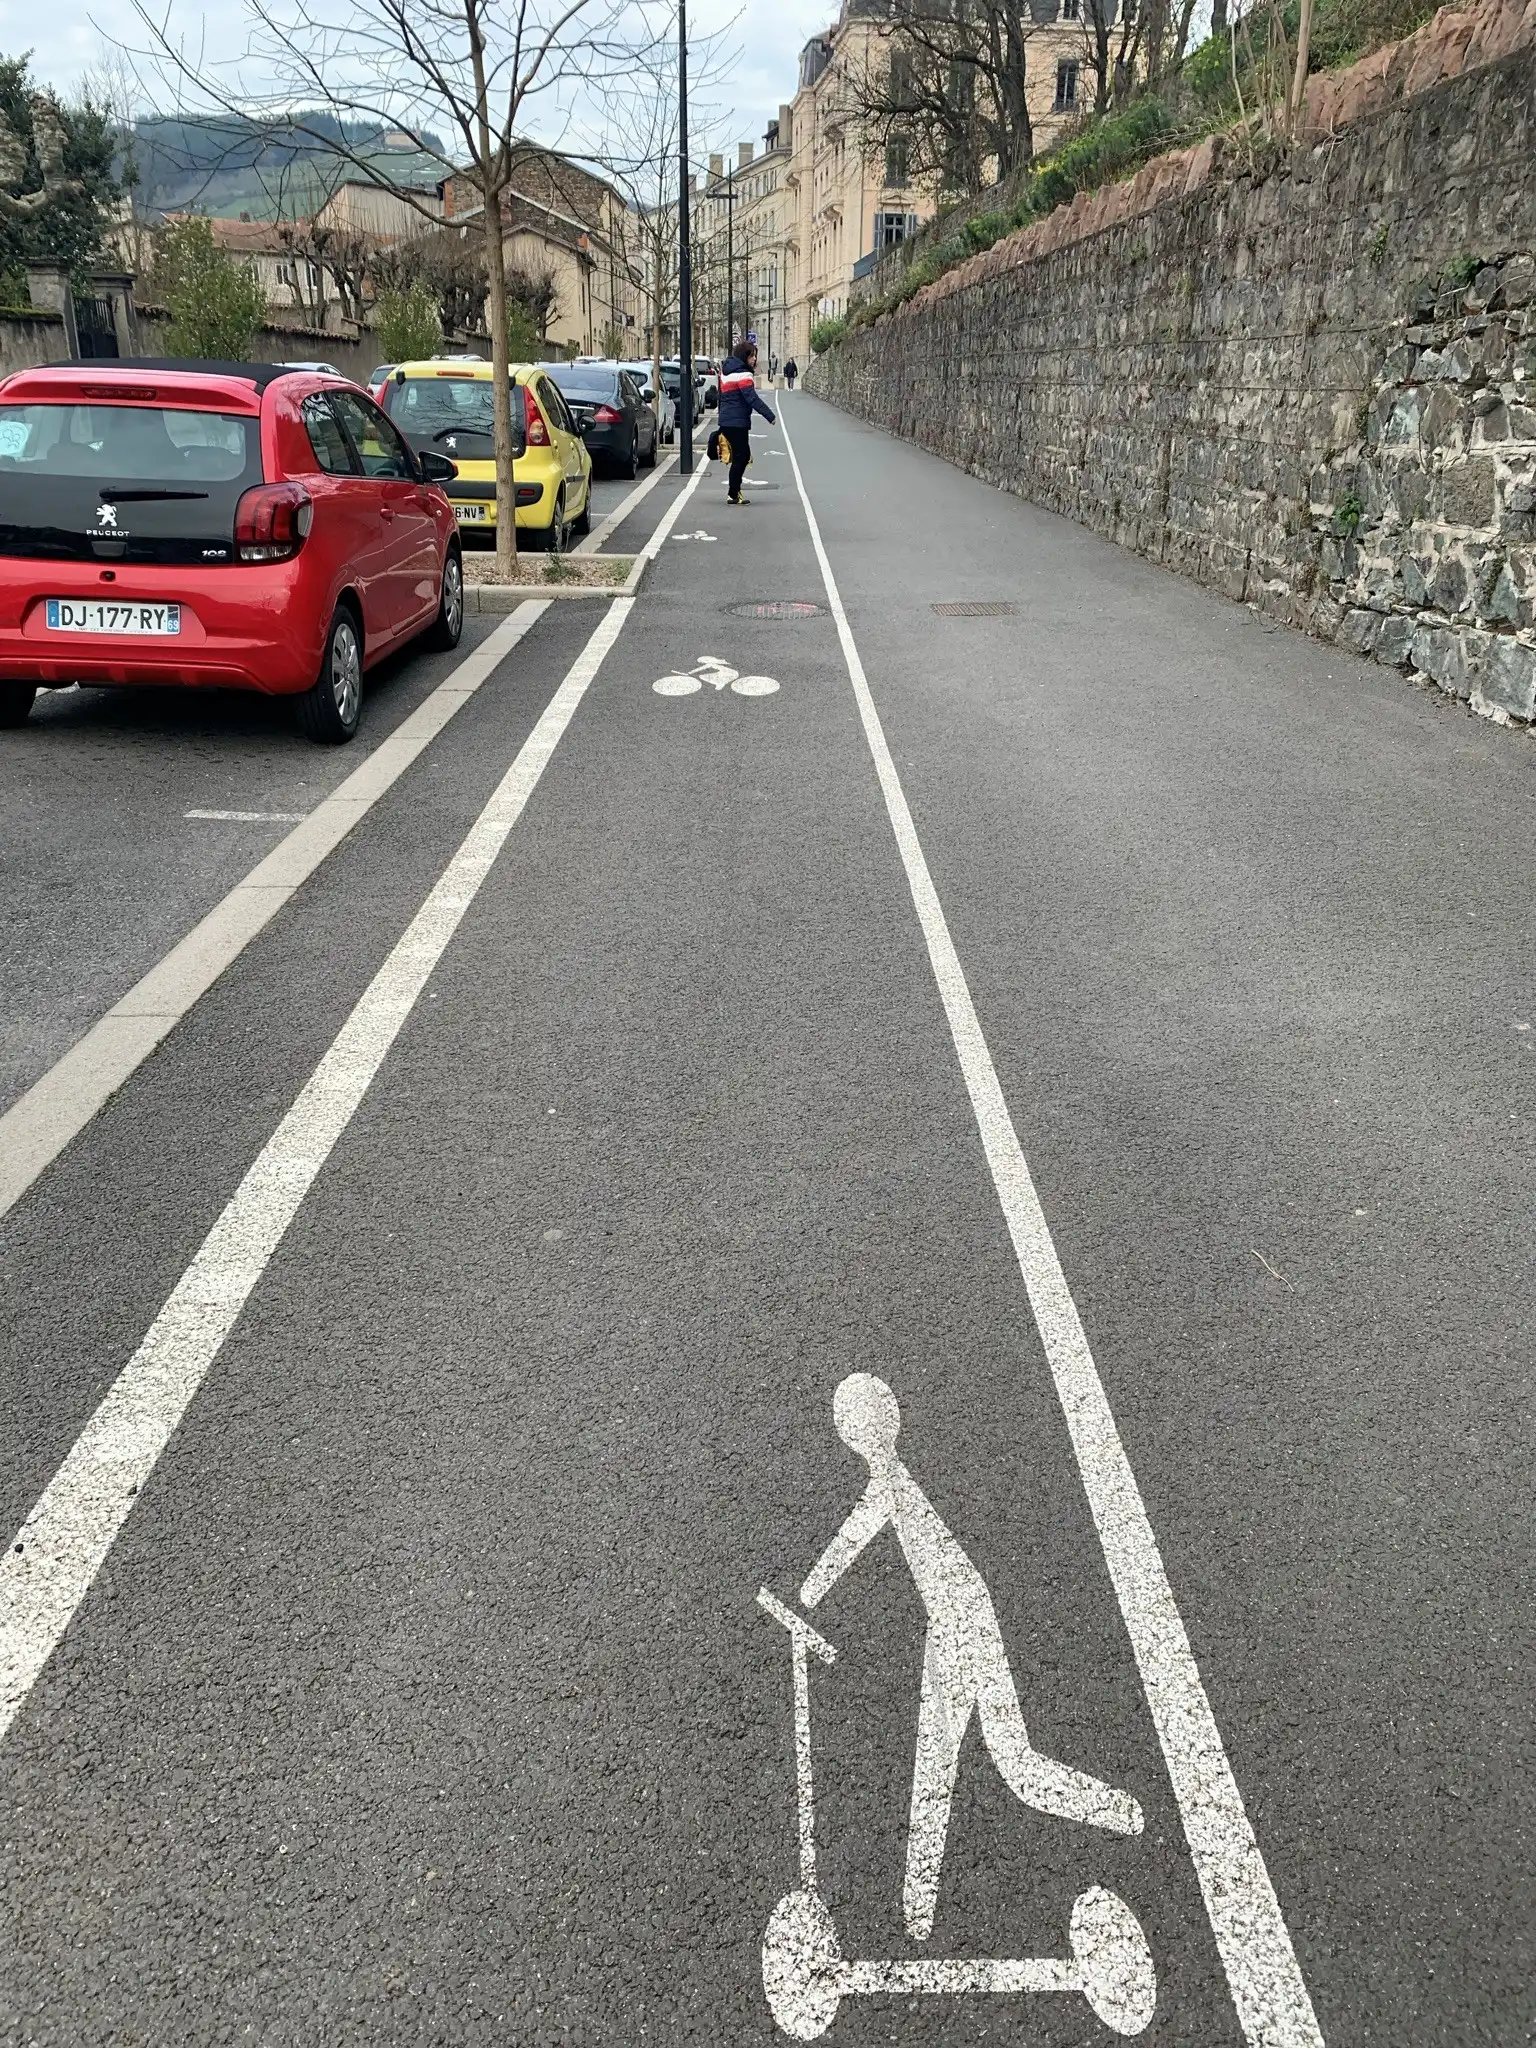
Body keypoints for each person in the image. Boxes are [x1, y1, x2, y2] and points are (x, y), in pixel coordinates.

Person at [799, 1374, 1144, 1942]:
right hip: (960, 1611)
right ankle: (921, 1899)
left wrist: (812, 1588)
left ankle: (919, 1902)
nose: (855, 1430)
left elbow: (860, 1527)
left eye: (853, 1421)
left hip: (963, 1617)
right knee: (982, 1760)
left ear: (853, 1432)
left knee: (974, 1761)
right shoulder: (893, 1474)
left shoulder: (888, 1480)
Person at [717, 337, 777, 506]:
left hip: (728, 421)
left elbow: (721, 397)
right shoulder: (744, 374)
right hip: (737, 422)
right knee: (741, 457)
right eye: (752, 356)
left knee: (741, 456)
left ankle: (734, 491)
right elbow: (751, 398)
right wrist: (769, 416)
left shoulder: (726, 372)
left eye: (755, 356)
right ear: (744, 357)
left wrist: (721, 418)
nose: (754, 359)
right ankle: (733, 493)